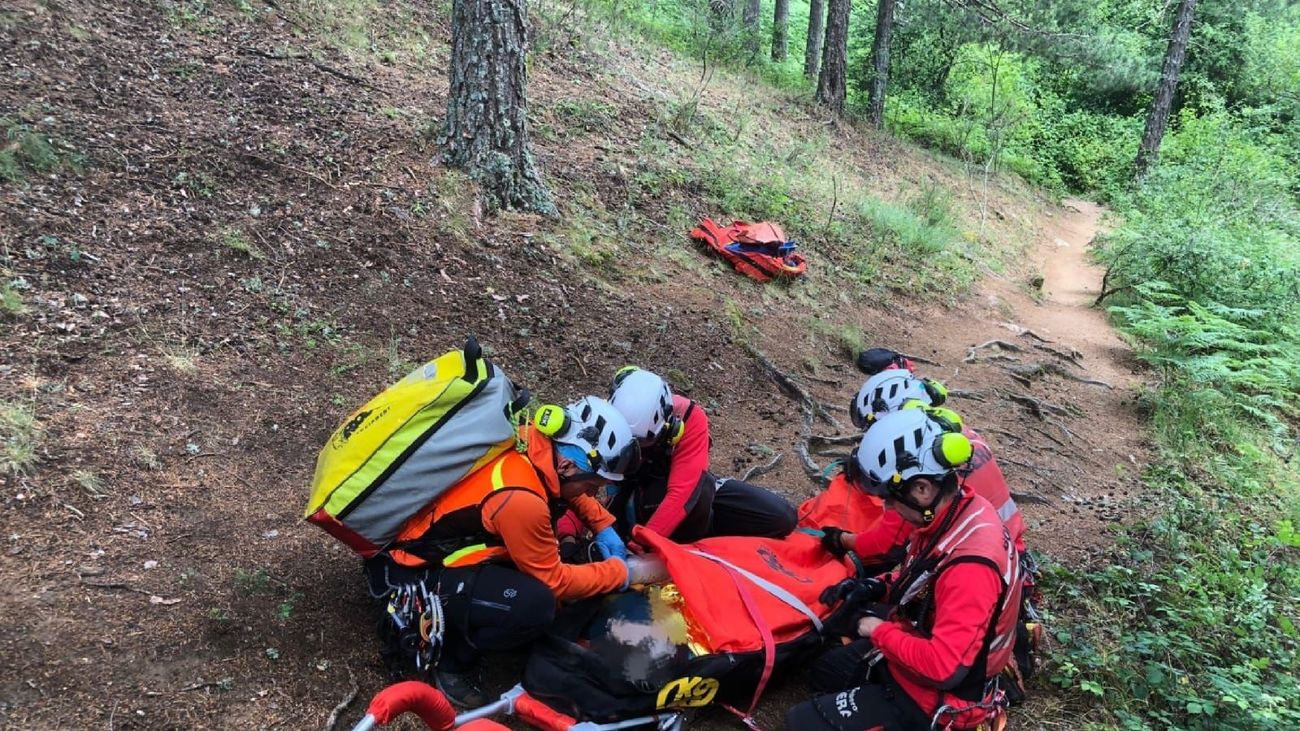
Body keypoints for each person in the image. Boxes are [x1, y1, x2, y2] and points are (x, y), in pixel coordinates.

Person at [362, 395, 663, 707]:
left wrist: (602, 525)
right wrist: (623, 573)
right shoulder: (522, 500)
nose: (593, 493)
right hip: (417, 569)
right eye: (592, 486)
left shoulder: (528, 441)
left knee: (551, 572)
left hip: (422, 540)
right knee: (536, 605)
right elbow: (554, 580)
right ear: (568, 464)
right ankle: (453, 662)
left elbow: (566, 487)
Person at [787, 408, 1023, 730]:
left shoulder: (971, 566)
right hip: (925, 643)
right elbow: (924, 577)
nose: (886, 508)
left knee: (799, 724)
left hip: (946, 696)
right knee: (825, 673)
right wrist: (876, 587)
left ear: (922, 489)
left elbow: (944, 668)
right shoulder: (960, 511)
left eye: (889, 499)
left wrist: (874, 629)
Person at [819, 369, 1026, 564]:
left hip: (980, 564)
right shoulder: (952, 437)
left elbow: (884, 544)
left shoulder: (924, 476)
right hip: (1010, 552)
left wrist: (841, 540)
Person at [603, 366, 797, 547]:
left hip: (685, 492)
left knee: (781, 517)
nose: (638, 449)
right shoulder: (602, 422)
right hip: (631, 497)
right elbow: (584, 483)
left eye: (644, 443)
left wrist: (645, 541)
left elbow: (683, 491)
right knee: (698, 494)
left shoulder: (689, 417)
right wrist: (573, 535)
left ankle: (703, 537)